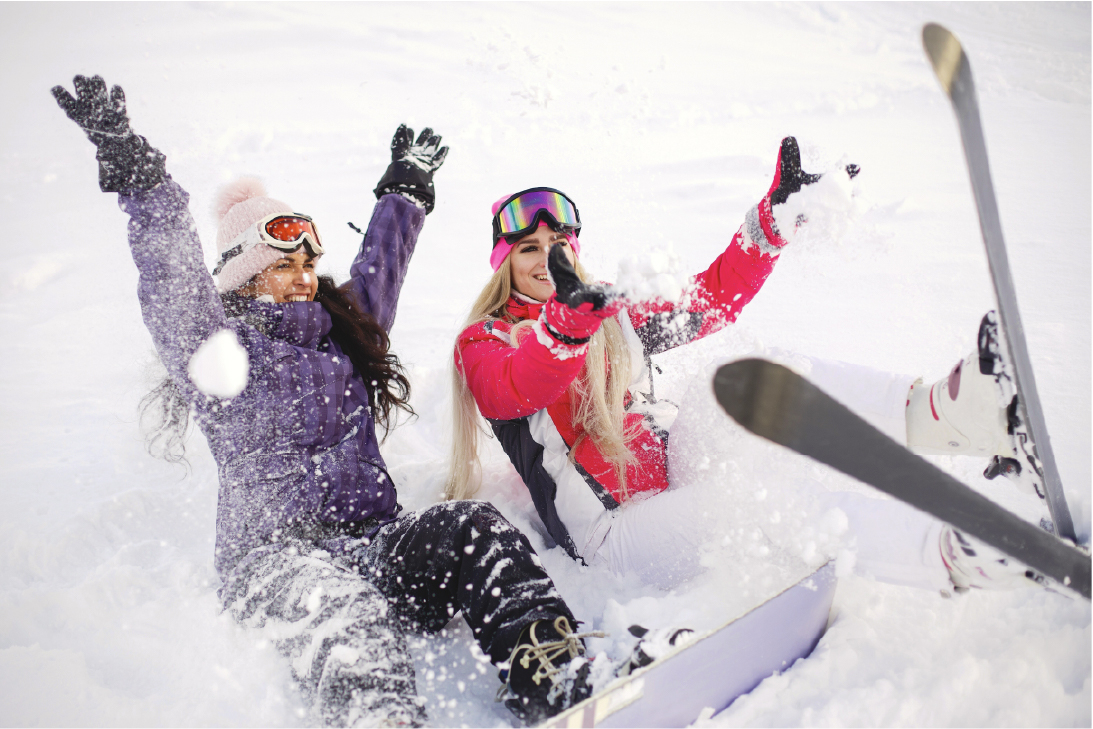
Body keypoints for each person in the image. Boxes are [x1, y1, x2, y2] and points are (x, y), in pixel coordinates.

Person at [52, 74, 605, 727]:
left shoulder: (339, 336)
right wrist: (141, 178)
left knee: (472, 526)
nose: (304, 277)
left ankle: (558, 682)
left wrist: (404, 191)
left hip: (373, 543)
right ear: (243, 272)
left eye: (309, 260)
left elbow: (379, 267)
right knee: (344, 611)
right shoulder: (216, 353)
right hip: (274, 566)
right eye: (284, 262)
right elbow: (169, 274)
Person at [446, 140, 1044, 594]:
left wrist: (772, 224)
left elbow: (711, 300)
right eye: (528, 248)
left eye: (556, 245)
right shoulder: (486, 340)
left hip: (674, 470)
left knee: (739, 377)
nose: (545, 259)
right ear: (505, 263)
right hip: (612, 535)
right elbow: (516, 387)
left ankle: (945, 414)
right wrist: (566, 325)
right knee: (750, 503)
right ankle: (953, 551)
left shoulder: (601, 307)